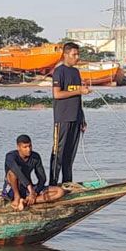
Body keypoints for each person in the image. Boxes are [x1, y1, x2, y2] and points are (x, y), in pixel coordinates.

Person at [51, 42, 90, 185]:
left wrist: (82, 118)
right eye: (74, 54)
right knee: (58, 153)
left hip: (76, 117)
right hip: (62, 118)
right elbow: (57, 94)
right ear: (65, 55)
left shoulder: (76, 72)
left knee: (70, 155)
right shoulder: (59, 71)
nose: (77, 57)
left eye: (78, 54)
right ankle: (53, 183)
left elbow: (78, 98)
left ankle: (67, 183)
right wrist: (79, 91)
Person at [4, 135, 67, 212]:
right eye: (25, 147)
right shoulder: (10, 157)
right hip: (12, 190)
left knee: (60, 191)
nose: (28, 149)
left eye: (30, 146)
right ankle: (17, 198)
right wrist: (29, 187)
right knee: (12, 173)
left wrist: (35, 193)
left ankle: (27, 201)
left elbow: (42, 179)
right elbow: (18, 172)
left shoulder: (35, 157)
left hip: (28, 191)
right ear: (18, 147)